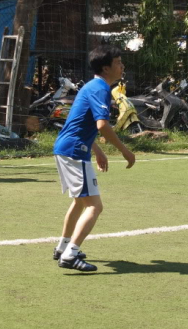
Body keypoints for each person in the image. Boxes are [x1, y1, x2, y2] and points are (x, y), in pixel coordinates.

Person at [53, 45, 135, 272]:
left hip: (68, 148)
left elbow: (82, 123)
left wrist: (97, 151)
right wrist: (124, 150)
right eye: (118, 62)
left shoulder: (92, 86)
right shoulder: (100, 88)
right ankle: (70, 255)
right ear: (106, 68)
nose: (122, 66)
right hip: (74, 151)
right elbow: (102, 125)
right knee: (95, 207)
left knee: (80, 202)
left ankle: (63, 247)